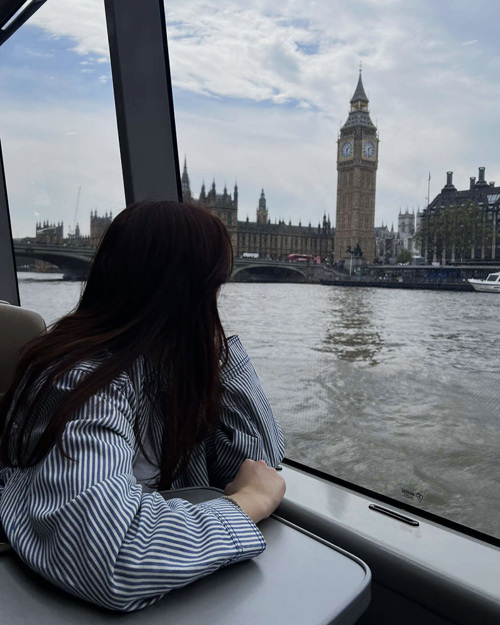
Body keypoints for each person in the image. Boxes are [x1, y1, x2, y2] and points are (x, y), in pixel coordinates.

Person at [0, 200, 285, 611]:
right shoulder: (81, 380)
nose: (218, 301)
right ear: (179, 291)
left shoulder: (166, 368)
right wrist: (246, 505)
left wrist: (221, 354)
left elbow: (261, 465)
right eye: (213, 286)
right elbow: (111, 558)